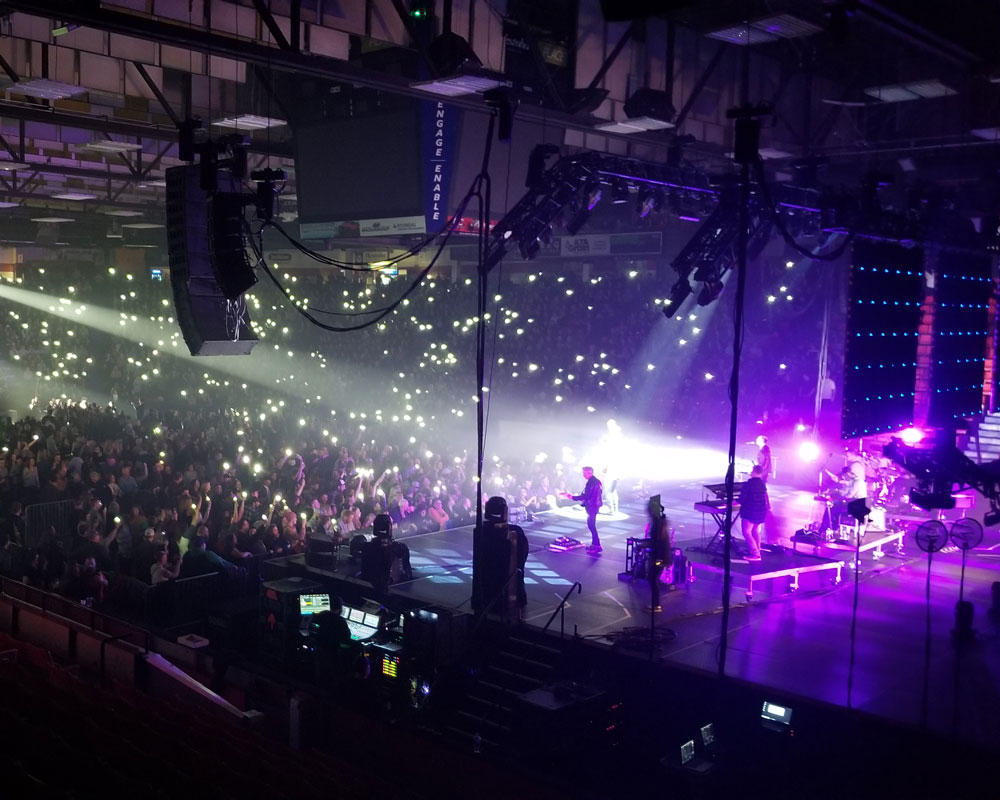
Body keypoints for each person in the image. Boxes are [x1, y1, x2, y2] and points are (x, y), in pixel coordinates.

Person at [480, 496, 529, 620]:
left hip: (490, 582)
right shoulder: (515, 531)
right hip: (508, 577)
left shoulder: (483, 531)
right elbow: (523, 553)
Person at [561, 466, 603, 553]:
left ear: (590, 473)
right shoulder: (596, 482)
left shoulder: (591, 483)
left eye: (584, 473)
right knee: (591, 525)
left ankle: (597, 545)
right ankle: (594, 544)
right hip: (595, 505)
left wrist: (572, 497)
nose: (583, 475)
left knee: (591, 525)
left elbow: (586, 496)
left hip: (592, 506)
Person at [645, 495, 672, 612]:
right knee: (652, 577)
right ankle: (656, 604)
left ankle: (656, 605)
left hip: (659, 558)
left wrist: (643, 545)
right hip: (660, 556)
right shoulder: (660, 522)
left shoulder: (658, 523)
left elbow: (656, 541)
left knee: (652, 577)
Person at [739, 465, 769, 561]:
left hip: (750, 511)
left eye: (752, 471)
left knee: (747, 532)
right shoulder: (762, 484)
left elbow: (741, 499)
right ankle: (757, 550)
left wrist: (729, 504)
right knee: (755, 531)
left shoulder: (749, 484)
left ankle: (755, 554)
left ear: (754, 472)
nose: (751, 472)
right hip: (760, 511)